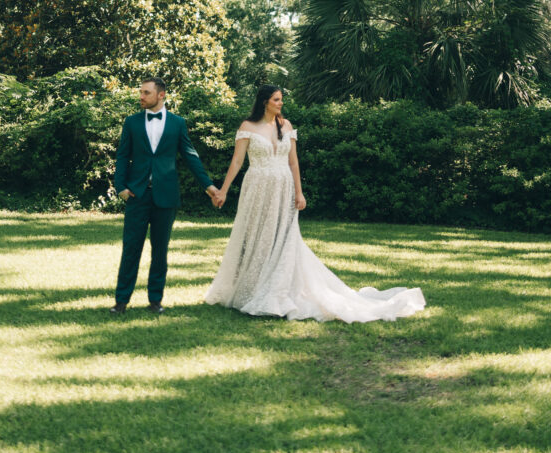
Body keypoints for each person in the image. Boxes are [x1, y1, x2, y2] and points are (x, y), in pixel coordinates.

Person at [205, 84, 425, 322]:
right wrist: (224, 191)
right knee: (258, 236)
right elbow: (237, 161)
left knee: (283, 238)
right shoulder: (248, 127)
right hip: (257, 188)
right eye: (276, 100)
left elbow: (293, 163)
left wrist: (299, 193)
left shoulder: (286, 126)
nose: (280, 103)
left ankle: (278, 290)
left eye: (281, 100)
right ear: (264, 102)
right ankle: (251, 288)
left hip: (283, 188)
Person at [111, 76, 221, 315]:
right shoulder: (131, 122)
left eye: (146, 93)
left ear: (161, 95)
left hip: (166, 196)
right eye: (140, 92)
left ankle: (155, 300)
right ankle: (121, 301)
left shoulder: (177, 123)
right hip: (137, 195)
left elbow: (190, 156)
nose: (141, 96)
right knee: (131, 249)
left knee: (160, 250)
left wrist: (209, 187)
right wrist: (120, 187)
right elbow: (122, 156)